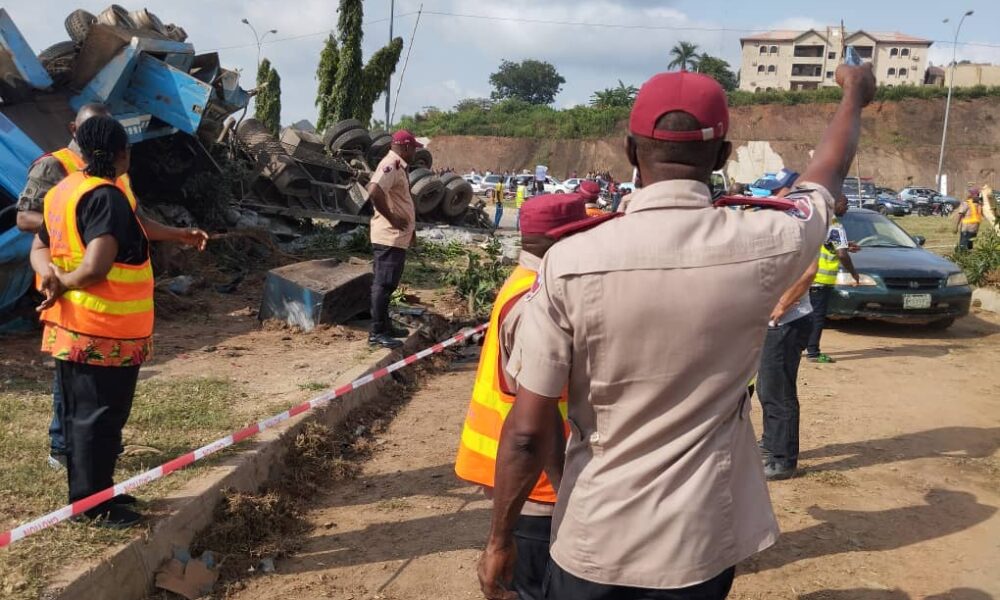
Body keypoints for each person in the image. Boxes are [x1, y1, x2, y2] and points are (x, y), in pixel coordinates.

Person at [478, 64, 876, 600]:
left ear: (629, 151)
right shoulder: (769, 240)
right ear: (723, 155)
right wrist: (854, 93)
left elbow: (528, 431)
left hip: (594, 537)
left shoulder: (568, 263)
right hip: (700, 540)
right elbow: (825, 175)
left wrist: (500, 538)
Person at [16, 103, 208, 469]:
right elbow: (27, 219)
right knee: (77, 384)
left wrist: (178, 235)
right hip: (76, 296)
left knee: (101, 394)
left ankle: (93, 455)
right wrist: (77, 237)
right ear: (76, 130)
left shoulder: (115, 177)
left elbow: (133, 219)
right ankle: (64, 449)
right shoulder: (56, 168)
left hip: (108, 309)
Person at [456, 194, 605, 600]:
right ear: (564, 241)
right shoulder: (536, 304)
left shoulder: (523, 282)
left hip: (523, 475)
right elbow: (537, 421)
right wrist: (570, 496)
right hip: (539, 484)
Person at [30, 116, 157, 527]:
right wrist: (65, 282)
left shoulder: (62, 191)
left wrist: (49, 275)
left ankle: (100, 492)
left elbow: (38, 246)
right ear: (122, 154)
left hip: (75, 326)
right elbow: (97, 266)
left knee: (86, 416)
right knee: (97, 418)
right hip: (103, 330)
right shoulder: (107, 197)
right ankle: (91, 507)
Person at [366, 130, 420, 349]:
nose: (415, 152)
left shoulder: (398, 166)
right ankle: (377, 333)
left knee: (388, 284)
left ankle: (385, 326)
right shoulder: (391, 164)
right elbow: (374, 190)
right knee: (383, 284)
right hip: (388, 236)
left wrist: (410, 229)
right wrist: (392, 217)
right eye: (414, 148)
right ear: (405, 147)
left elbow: (400, 201)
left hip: (396, 237)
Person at [806, 195, 860, 364]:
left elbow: (828, 245)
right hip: (821, 280)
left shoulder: (818, 221)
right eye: (845, 204)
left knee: (804, 315)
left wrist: (845, 244)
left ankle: (799, 347)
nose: (847, 207)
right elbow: (842, 255)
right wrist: (854, 273)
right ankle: (813, 352)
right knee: (817, 317)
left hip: (807, 278)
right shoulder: (835, 225)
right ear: (834, 204)